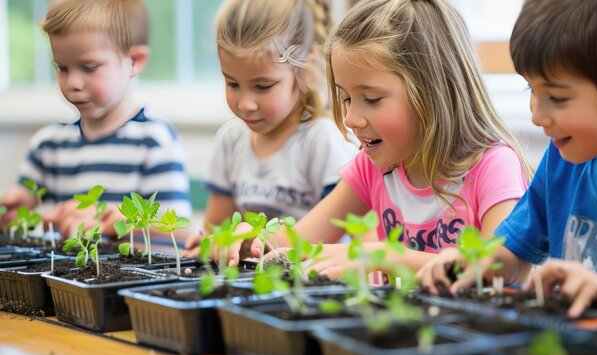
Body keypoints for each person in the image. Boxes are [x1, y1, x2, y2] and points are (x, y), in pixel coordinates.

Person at [220, 0, 532, 274]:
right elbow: (299, 241)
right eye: (345, 99)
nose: (351, 119)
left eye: (371, 99)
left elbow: (498, 267)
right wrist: (251, 240)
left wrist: (383, 255)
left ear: (433, 92)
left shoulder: (493, 166)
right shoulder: (372, 168)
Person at [417, 0, 597, 318]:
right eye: (530, 89)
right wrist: (475, 261)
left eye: (557, 98)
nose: (537, 115)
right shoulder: (563, 160)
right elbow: (513, 253)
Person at [0, 0, 192, 238]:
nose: (73, 84)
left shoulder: (154, 140)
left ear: (135, 60)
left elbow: (177, 230)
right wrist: (18, 204)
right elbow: (30, 212)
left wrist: (119, 220)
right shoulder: (48, 145)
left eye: (89, 67)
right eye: (62, 68)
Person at [182, 0, 356, 256]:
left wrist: (252, 241)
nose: (245, 103)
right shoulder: (231, 139)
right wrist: (210, 245)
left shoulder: (323, 140)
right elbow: (215, 229)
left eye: (262, 86)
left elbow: (336, 237)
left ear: (305, 72)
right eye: (232, 84)